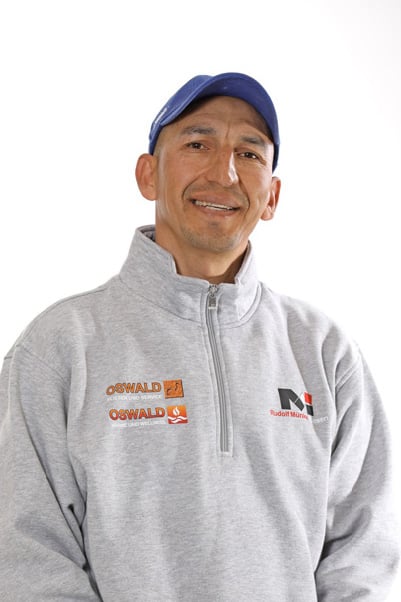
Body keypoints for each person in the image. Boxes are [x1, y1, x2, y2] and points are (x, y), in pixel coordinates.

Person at [0, 72, 399, 601]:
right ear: (148, 175)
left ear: (272, 195)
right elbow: (27, 554)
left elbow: (364, 553)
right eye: (198, 144)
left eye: (249, 154)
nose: (224, 172)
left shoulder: (324, 352)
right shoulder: (60, 347)